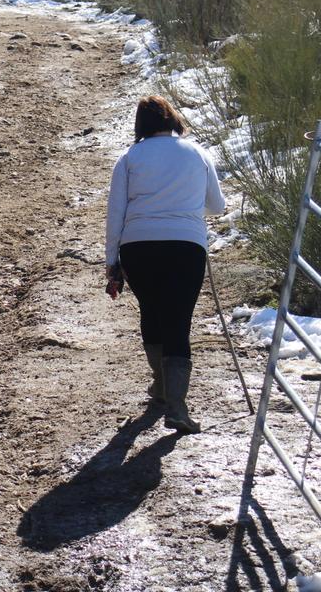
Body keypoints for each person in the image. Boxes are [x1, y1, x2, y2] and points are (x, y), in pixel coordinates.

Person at [104, 95, 226, 434]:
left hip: (137, 248)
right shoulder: (198, 153)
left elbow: (116, 213)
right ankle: (176, 406)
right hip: (186, 246)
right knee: (178, 320)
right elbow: (217, 205)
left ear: (140, 125)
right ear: (172, 119)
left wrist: (111, 262)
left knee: (152, 311)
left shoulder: (129, 158)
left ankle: (161, 387)